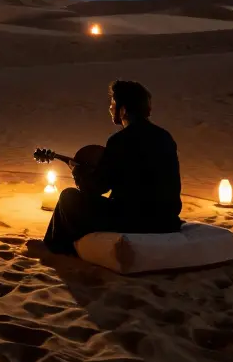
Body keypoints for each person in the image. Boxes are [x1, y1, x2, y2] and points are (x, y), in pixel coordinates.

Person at [43, 80, 183, 254]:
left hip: (134, 221)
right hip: (167, 221)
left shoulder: (120, 141)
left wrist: (77, 171)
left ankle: (54, 248)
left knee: (68, 197)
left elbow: (96, 188)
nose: (110, 108)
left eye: (113, 103)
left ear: (123, 109)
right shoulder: (164, 137)